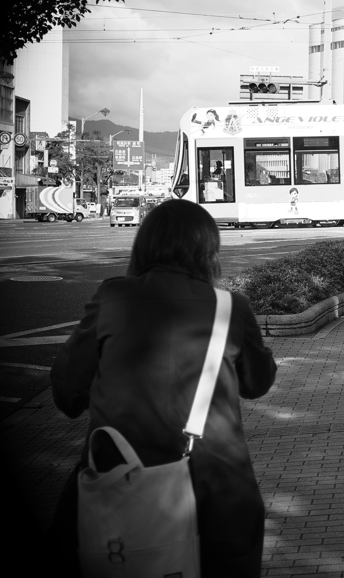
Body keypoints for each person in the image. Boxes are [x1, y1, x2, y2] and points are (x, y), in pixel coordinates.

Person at [48, 199, 277, 576]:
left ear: (145, 245)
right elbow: (257, 383)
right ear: (208, 250)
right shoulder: (229, 306)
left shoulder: (112, 298)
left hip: (119, 481)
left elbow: (67, 395)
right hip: (217, 487)